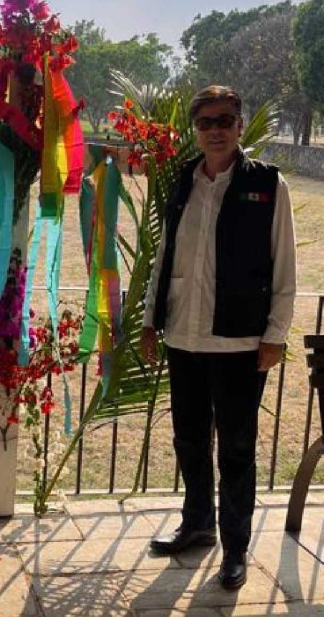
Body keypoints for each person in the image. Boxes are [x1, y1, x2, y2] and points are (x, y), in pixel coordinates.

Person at [141, 85, 296, 591]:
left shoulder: (268, 185)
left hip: (238, 342)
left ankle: (235, 548)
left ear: (239, 123)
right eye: (205, 121)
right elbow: (163, 256)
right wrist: (149, 320)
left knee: (235, 447)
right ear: (196, 127)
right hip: (183, 336)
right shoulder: (184, 180)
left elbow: (285, 266)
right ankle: (197, 524)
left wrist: (275, 335)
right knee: (188, 440)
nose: (215, 129)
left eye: (224, 119)